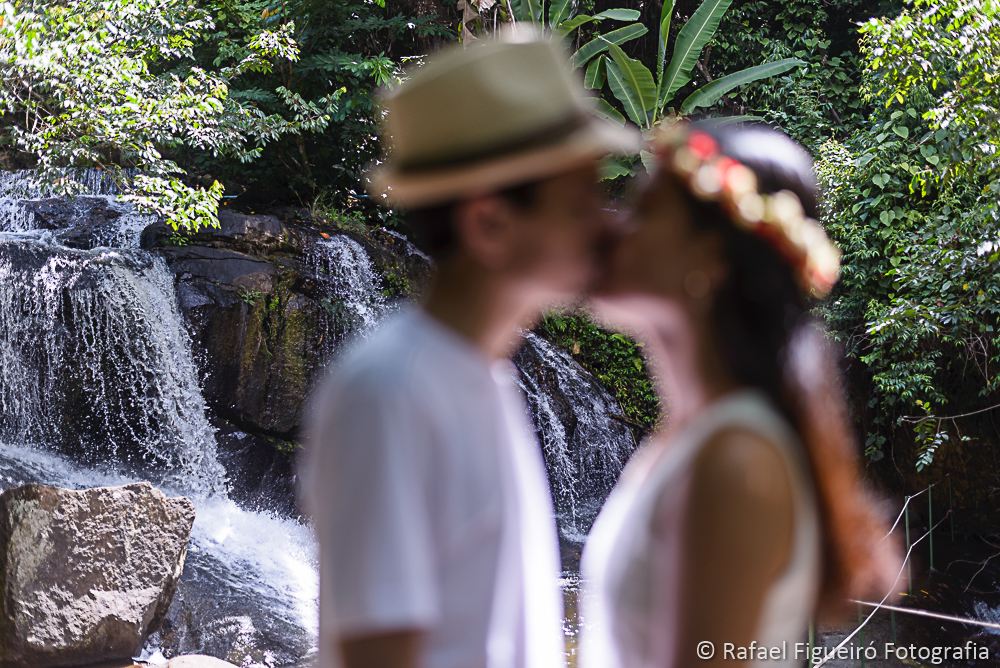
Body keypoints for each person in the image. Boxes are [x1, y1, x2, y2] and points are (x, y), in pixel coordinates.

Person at [300, 33, 638, 668]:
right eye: (580, 202)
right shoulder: (389, 394)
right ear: (489, 224)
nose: (606, 223)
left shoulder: (484, 376)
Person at [580, 122, 900, 668]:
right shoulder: (695, 437)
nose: (611, 228)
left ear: (708, 259)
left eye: (643, 209)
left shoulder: (737, 460)